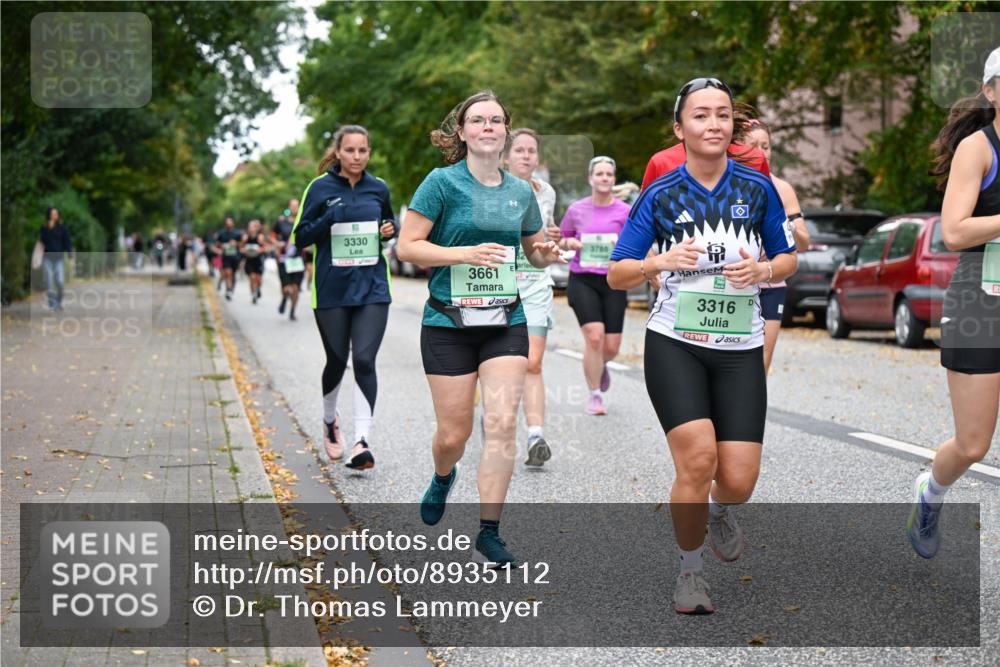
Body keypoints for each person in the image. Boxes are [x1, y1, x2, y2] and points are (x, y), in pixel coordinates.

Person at [608, 77, 797, 614]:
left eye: (722, 115)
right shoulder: (660, 194)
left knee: (737, 480)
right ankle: (690, 574)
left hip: (739, 348)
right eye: (700, 116)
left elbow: (787, 259)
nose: (713, 124)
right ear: (680, 129)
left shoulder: (757, 189)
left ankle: (719, 509)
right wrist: (656, 262)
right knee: (697, 459)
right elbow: (617, 273)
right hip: (676, 344)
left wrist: (763, 269)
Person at [397, 91, 564, 565]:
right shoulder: (441, 184)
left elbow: (531, 249)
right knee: (454, 435)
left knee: (502, 422)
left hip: (504, 320)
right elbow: (408, 247)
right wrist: (462, 254)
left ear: (505, 132)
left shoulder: (519, 192)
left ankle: (489, 530)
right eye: (478, 120)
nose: (488, 126)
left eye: (496, 120)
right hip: (448, 322)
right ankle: (443, 476)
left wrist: (545, 254)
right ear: (463, 132)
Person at [907, 49, 1000, 559]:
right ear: (990, 91)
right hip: (981, 303)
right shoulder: (978, 148)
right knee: (972, 445)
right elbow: (954, 230)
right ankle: (931, 492)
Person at [291, 125, 398, 470]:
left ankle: (360, 441)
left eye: (363, 151)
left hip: (373, 288)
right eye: (350, 150)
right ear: (337, 152)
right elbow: (300, 239)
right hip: (332, 290)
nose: (356, 157)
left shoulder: (378, 188)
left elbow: (388, 222)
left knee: (364, 360)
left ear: (369, 152)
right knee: (337, 360)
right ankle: (328, 420)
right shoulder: (319, 188)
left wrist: (388, 231)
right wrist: (328, 218)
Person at [558, 156, 631, 416]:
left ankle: (601, 365)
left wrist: (620, 248)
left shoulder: (624, 211)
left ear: (613, 179)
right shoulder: (576, 210)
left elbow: (634, 245)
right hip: (583, 279)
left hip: (613, 280)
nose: (604, 178)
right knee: (595, 337)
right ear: (590, 178)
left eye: (609, 174)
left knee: (611, 346)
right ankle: (595, 395)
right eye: (599, 174)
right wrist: (571, 244)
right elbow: (562, 240)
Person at [504, 128, 561, 465]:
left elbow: (548, 234)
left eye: (531, 151)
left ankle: (535, 436)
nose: (525, 156)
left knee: (533, 361)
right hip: (500, 285)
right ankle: (496, 421)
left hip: (536, 282)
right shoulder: (494, 188)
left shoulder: (547, 192)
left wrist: (555, 236)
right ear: (507, 156)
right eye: (519, 150)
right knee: (502, 363)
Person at [743, 119, 810, 372]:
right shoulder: (729, 184)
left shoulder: (782, 189)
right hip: (736, 281)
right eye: (753, 146)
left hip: (772, 282)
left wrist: (787, 226)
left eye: (766, 146)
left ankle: (749, 410)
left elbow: (803, 242)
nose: (761, 153)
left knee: (763, 356)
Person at [274, 203, 305, 321]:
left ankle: (292, 311)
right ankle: (284, 298)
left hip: (297, 260)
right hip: (284, 259)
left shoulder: (303, 221)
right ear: (289, 207)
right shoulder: (281, 223)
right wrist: (276, 243)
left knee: (296, 288)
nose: (294, 208)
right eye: (292, 206)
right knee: (286, 288)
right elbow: (272, 236)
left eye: (297, 206)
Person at [39, 206, 72, 311]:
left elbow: (67, 241)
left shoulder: (62, 228)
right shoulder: (44, 227)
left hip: (59, 259)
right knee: (49, 283)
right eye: (53, 214)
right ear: (49, 215)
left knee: (60, 282)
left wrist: (70, 254)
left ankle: (58, 302)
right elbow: (43, 241)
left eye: (56, 214)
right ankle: (52, 305)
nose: (55, 215)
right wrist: (49, 228)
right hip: (47, 258)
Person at [241, 219, 268, 304]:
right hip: (249, 260)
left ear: (257, 228)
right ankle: (253, 295)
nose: (252, 228)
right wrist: (245, 250)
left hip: (258, 260)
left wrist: (260, 250)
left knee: (259, 279)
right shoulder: (245, 237)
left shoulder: (260, 237)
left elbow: (265, 247)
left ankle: (258, 289)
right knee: (252, 277)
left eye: (254, 227)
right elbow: (241, 248)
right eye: (250, 227)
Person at [215, 216, 242, 300]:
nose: (228, 225)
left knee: (233, 275)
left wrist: (236, 243)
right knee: (227, 273)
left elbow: (242, 245)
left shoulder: (238, 233)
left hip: (235, 257)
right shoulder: (221, 233)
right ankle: (228, 290)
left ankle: (231, 289)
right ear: (225, 224)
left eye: (230, 223)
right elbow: (217, 244)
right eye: (227, 223)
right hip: (226, 256)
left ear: (233, 223)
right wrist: (222, 246)